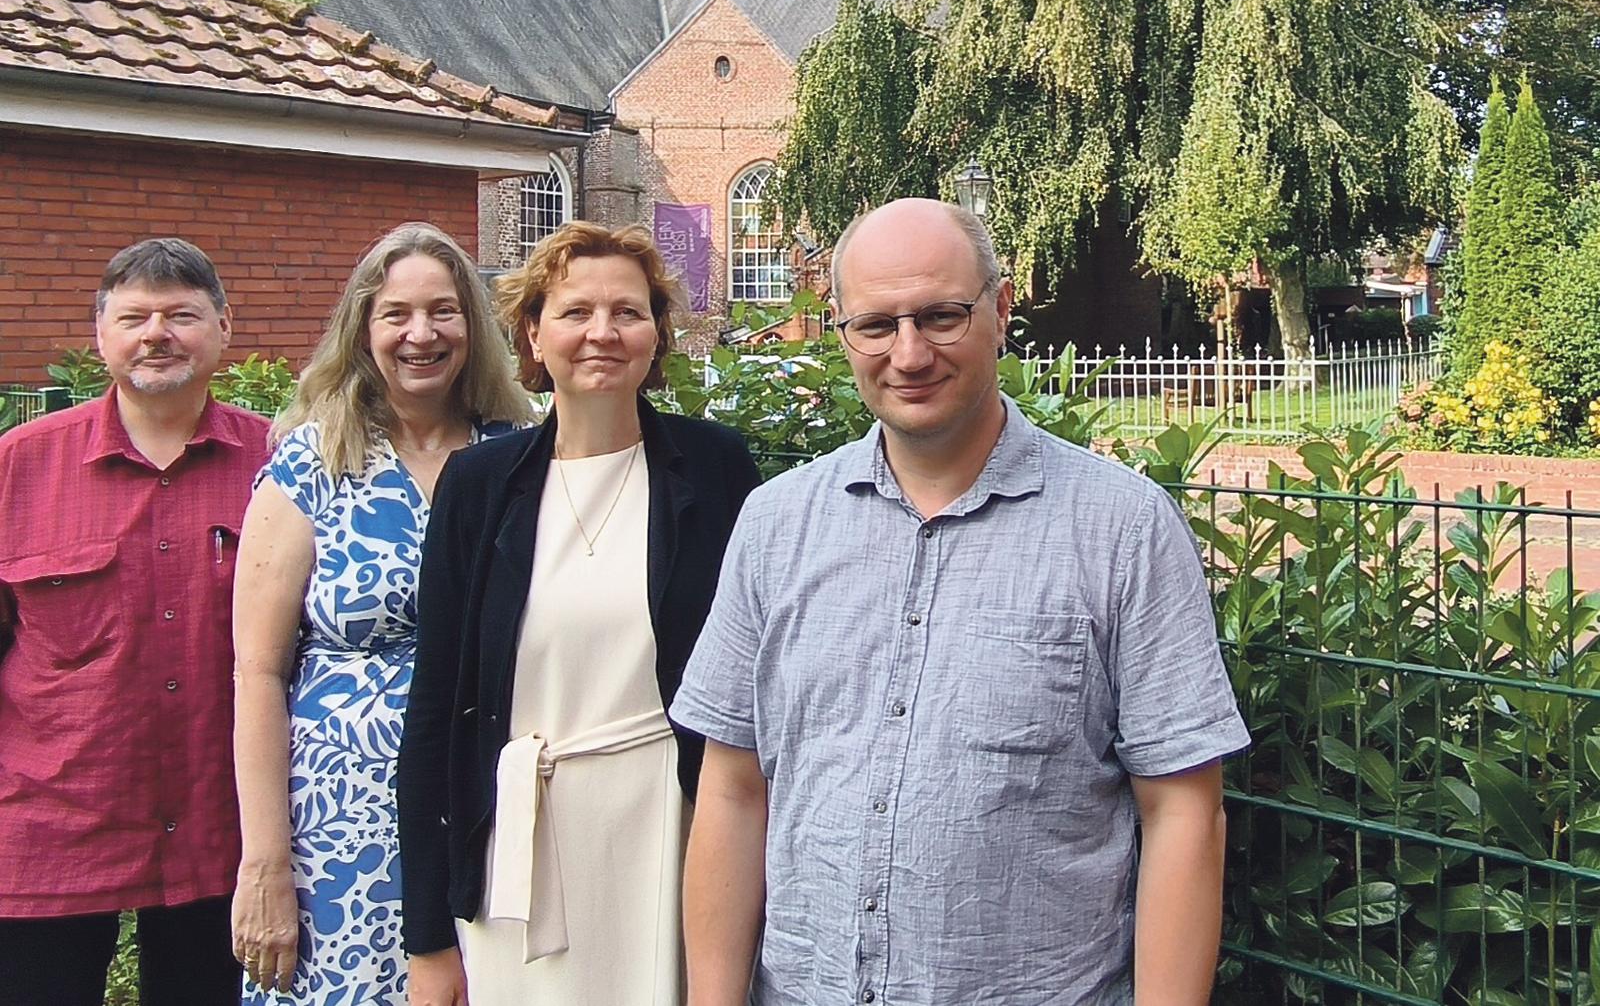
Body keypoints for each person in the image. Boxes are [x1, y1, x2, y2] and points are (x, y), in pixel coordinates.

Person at [670, 197, 1252, 1006]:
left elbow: (1184, 811)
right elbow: (734, 788)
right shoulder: (775, 524)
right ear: (841, 330)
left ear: (1001, 309)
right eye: (877, 325)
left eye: (941, 316)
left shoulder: (1123, 530)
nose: (909, 354)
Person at [398, 221, 761, 1006]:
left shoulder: (716, 467)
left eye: (628, 312)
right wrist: (427, 936)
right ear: (534, 332)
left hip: (672, 831)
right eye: (575, 312)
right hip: (518, 843)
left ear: (656, 335)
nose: (603, 331)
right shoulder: (477, 485)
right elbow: (434, 714)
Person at [230, 223, 531, 1005]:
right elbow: (258, 671)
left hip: (491, 808)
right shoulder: (313, 460)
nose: (421, 334)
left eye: (443, 311)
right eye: (397, 313)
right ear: (363, 327)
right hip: (342, 824)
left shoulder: (522, 454)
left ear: (473, 324)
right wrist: (265, 862)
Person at [0, 238, 271, 1006]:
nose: (157, 334)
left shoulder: (281, 463)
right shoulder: (18, 467)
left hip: (225, 828)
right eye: (134, 317)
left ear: (223, 327)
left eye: (181, 315)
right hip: (51, 827)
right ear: (101, 334)